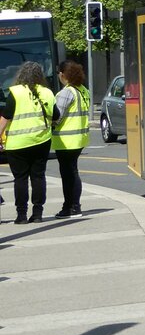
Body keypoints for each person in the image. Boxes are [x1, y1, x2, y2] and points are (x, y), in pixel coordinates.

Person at [0, 60, 56, 224]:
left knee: (20, 179)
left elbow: (5, 118)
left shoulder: (15, 92)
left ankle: (21, 215)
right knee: (38, 177)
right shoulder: (47, 92)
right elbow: (56, 115)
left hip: (17, 144)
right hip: (41, 141)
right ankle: (38, 213)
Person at [51, 60, 90, 217]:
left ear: (62, 74)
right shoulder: (82, 90)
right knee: (72, 172)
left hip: (66, 140)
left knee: (68, 174)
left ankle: (72, 207)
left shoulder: (66, 92)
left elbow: (56, 117)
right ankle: (73, 205)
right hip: (79, 138)